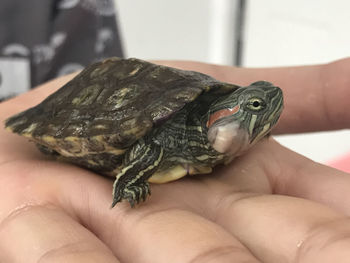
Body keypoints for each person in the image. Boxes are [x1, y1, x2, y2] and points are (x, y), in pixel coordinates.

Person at [0, 58, 349, 262]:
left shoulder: (212, 128)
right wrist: (131, 178)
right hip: (88, 106)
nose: (268, 103)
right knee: (148, 143)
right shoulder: (173, 131)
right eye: (253, 107)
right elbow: (145, 137)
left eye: (256, 106)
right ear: (220, 121)